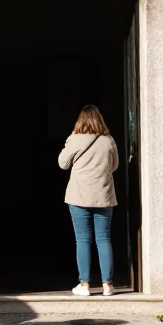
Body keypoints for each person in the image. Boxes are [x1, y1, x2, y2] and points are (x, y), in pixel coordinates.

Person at [58, 104, 119, 297]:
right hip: (103, 196)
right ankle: (107, 285)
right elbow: (115, 165)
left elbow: (62, 163)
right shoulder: (109, 141)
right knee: (104, 239)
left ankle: (84, 285)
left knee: (83, 240)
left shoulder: (74, 140)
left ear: (80, 121)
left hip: (79, 197)